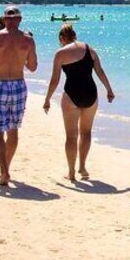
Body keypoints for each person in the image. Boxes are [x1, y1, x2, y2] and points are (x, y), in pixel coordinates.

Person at [42, 23, 114, 181]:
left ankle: (71, 172)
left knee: (71, 136)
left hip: (71, 95)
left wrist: (47, 99)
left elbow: (55, 80)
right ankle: (82, 166)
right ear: (74, 35)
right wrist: (109, 89)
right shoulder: (90, 49)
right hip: (91, 94)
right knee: (86, 132)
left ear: (62, 38)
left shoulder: (60, 53)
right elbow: (100, 71)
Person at [0, 6, 38, 186]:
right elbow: (33, 67)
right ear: (19, 20)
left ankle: (4, 171)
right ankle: (6, 169)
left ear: (4, 20)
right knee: (13, 129)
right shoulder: (28, 40)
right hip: (18, 85)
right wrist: (20, 57)